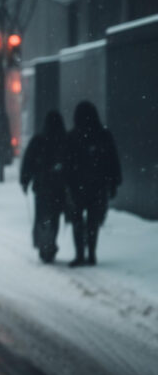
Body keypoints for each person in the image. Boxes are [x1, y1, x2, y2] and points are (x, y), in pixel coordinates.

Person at [65, 101, 121, 267]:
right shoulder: (103, 135)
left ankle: (80, 254)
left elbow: (67, 163)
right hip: (98, 186)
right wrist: (113, 183)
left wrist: (67, 183)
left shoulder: (72, 136)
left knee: (77, 220)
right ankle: (91, 253)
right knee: (93, 221)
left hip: (77, 187)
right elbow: (113, 161)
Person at [20, 110, 69, 263]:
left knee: (42, 216)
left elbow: (28, 162)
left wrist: (25, 180)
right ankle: (51, 242)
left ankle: (44, 244)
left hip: (42, 186)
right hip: (59, 186)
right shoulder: (65, 140)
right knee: (54, 217)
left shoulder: (38, 140)